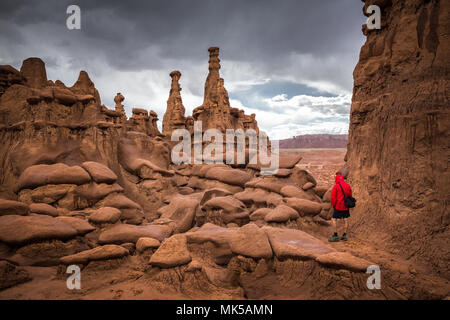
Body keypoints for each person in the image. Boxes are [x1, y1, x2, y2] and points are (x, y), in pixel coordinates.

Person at [328, 173, 352, 242]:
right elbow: (350, 195)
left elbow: (333, 198)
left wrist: (334, 205)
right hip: (346, 206)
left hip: (338, 206)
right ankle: (344, 235)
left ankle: (335, 235)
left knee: (334, 219)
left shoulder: (336, 186)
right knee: (346, 219)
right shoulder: (348, 185)